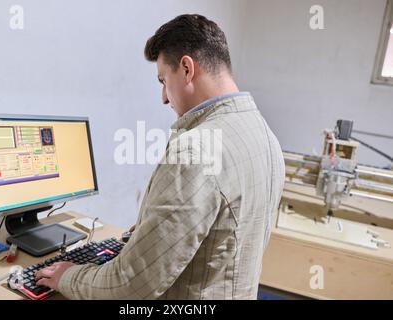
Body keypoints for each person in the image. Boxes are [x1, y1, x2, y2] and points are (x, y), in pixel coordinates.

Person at [35, 14, 285, 300]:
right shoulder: (264, 134)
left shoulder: (195, 152)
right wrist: (150, 235)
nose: (164, 97)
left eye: (164, 80)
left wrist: (67, 276)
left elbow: (128, 286)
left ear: (187, 69)